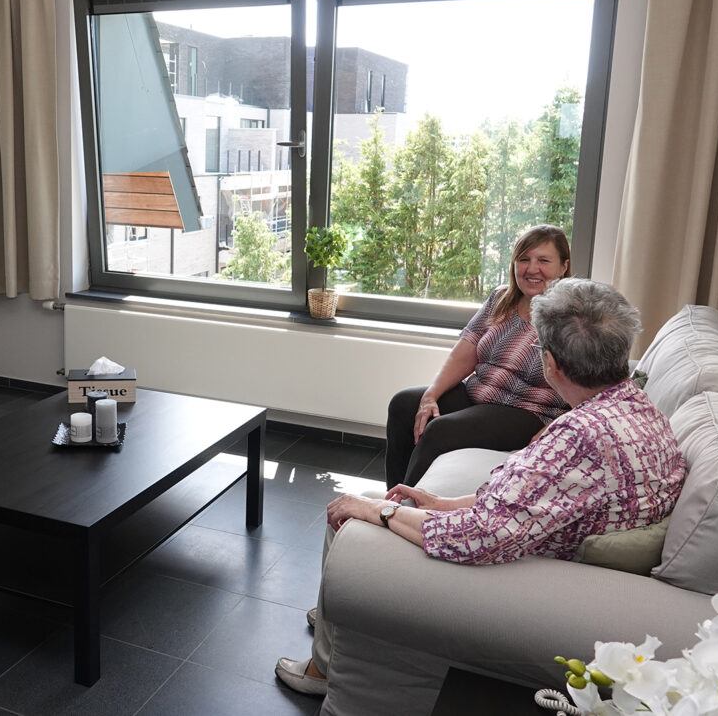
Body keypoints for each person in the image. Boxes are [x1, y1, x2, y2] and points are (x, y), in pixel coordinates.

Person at [275, 278, 685, 697]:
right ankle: (339, 617)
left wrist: (383, 512)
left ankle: (324, 669)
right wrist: (445, 502)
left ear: (551, 364)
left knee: (351, 512)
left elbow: (477, 537)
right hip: (532, 533)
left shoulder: (579, 436)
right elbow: (545, 500)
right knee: (372, 499)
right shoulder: (635, 405)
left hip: (515, 561)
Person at [385, 224, 573, 489]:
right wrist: (431, 395)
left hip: (527, 411)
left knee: (440, 430)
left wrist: (554, 428)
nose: (532, 269)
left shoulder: (572, 318)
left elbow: (590, 388)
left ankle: (403, 506)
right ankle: (392, 494)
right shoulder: (501, 298)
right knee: (404, 404)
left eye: (543, 260)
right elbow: (464, 353)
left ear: (564, 266)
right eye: (524, 259)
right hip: (477, 393)